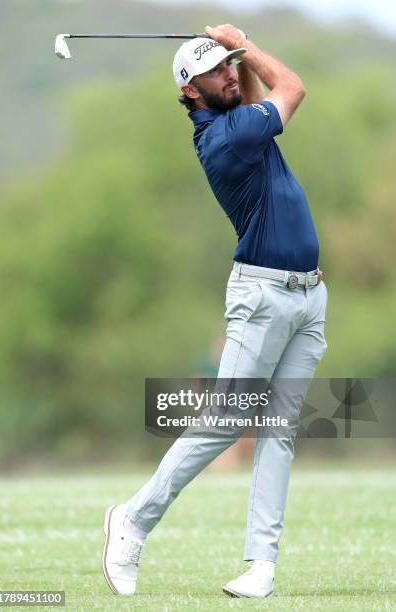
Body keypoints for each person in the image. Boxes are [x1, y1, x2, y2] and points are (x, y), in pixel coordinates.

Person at [102, 23, 328, 599]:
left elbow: (255, 98)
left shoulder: (240, 121)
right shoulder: (224, 138)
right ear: (191, 93)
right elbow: (293, 89)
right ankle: (132, 520)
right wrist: (245, 43)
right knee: (226, 422)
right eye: (217, 70)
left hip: (308, 296)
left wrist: (235, 51)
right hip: (262, 296)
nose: (230, 73)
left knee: (278, 432)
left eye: (230, 64)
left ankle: (260, 566)